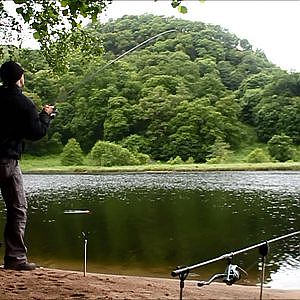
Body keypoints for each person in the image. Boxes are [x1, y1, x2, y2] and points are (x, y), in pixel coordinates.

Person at [0, 60, 54, 271]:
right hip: (7, 161)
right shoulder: (24, 104)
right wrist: (46, 116)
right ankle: (15, 259)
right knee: (17, 208)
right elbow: (36, 133)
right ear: (20, 78)